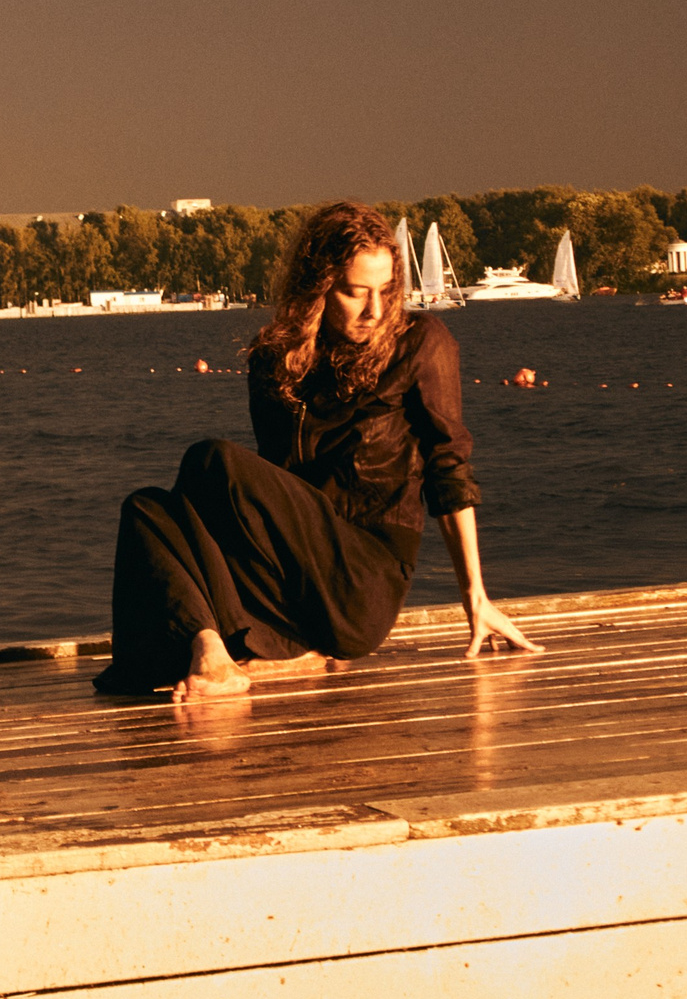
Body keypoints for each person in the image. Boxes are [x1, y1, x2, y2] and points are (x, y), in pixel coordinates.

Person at [96, 200, 541, 701]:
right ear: (319, 288)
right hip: (293, 578)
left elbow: (449, 467)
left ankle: (231, 643)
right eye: (356, 292)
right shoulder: (274, 358)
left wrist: (474, 598)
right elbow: (270, 492)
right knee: (147, 509)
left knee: (211, 459)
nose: (375, 310)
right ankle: (213, 651)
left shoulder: (421, 343)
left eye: (385, 290)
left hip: (361, 579)